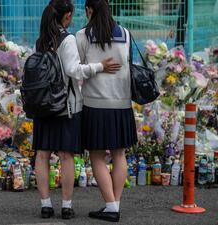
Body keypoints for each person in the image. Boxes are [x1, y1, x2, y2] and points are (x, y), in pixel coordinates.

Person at [33, 0, 121, 220]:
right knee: (65, 155)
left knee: (42, 154)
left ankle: (45, 205)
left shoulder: (42, 40)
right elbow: (74, 70)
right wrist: (100, 66)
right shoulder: (67, 39)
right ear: (67, 16)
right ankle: (66, 205)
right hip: (66, 105)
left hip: (43, 105)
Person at [76, 0, 138, 222]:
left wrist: (98, 66)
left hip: (95, 103)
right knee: (119, 154)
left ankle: (111, 206)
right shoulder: (125, 33)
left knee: (97, 155)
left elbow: (78, 70)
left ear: (89, 10)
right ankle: (114, 204)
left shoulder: (82, 35)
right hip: (122, 103)